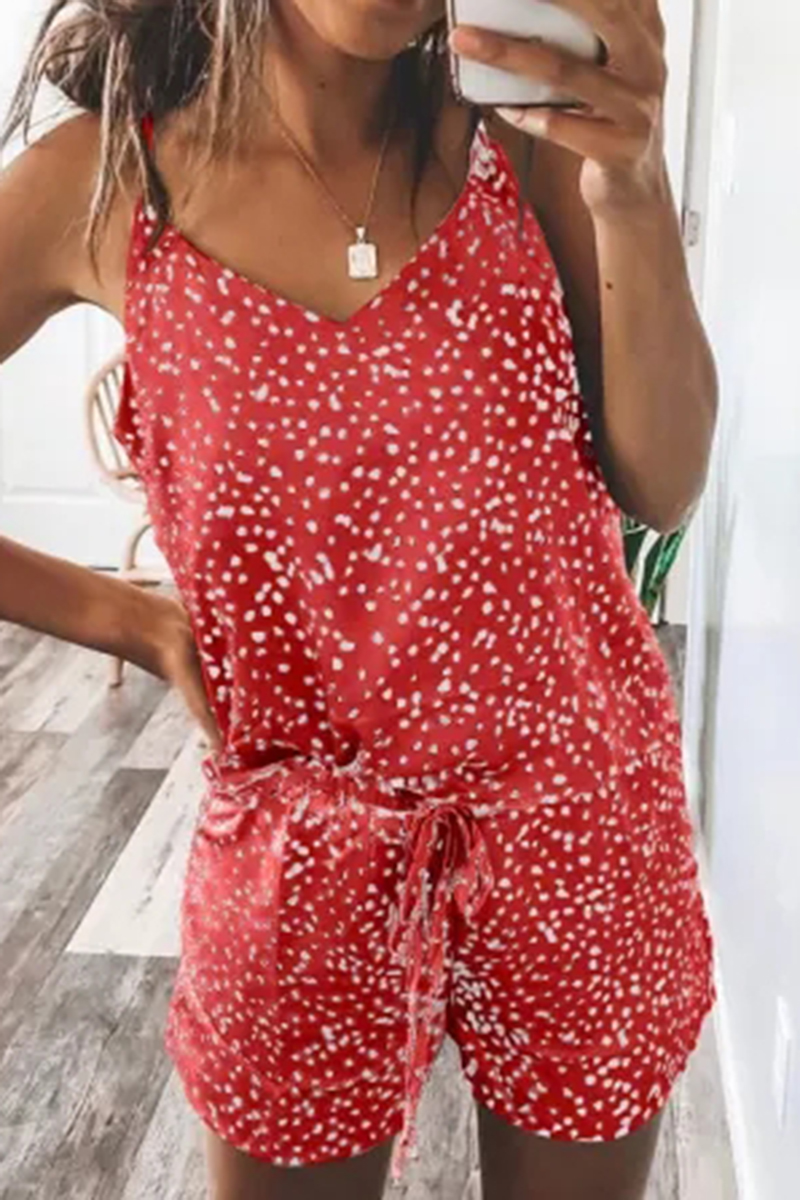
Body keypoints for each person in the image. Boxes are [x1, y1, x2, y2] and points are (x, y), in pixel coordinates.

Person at [0, 1, 719, 1197]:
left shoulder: (528, 143)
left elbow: (664, 478)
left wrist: (632, 190)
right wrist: (127, 618)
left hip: (576, 814)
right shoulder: (108, 182)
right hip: (299, 850)